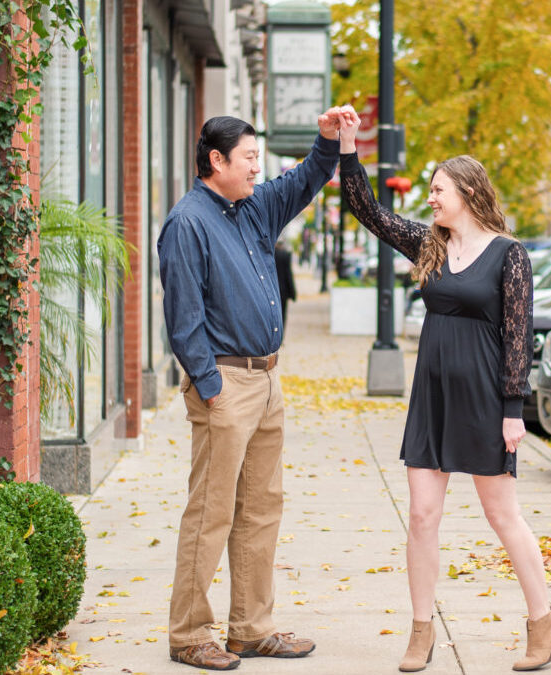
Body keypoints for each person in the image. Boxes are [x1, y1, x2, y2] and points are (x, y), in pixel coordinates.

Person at [337, 116, 551, 672]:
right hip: (433, 396)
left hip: (487, 399)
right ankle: (421, 631)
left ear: (466, 192)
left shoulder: (509, 254)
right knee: (421, 515)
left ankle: (545, 623)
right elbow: (367, 211)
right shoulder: (428, 245)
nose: (430, 199)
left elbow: (519, 334)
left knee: (502, 515)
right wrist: (347, 146)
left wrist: (515, 410)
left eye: (438, 190)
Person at [157, 107, 356, 671]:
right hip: (227, 386)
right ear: (216, 160)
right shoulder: (187, 222)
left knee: (262, 509)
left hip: (267, 381)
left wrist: (326, 142)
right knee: (210, 513)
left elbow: (304, 180)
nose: (256, 168)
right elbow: (183, 316)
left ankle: (250, 628)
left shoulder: (253, 208)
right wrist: (212, 386)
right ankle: (189, 633)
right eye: (248, 158)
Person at [274, 239, 297, 334]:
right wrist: (292, 292)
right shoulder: (286, 255)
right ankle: (281, 335)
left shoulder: (271, 254)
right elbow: (288, 274)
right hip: (283, 290)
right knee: (283, 313)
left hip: (272, 289)